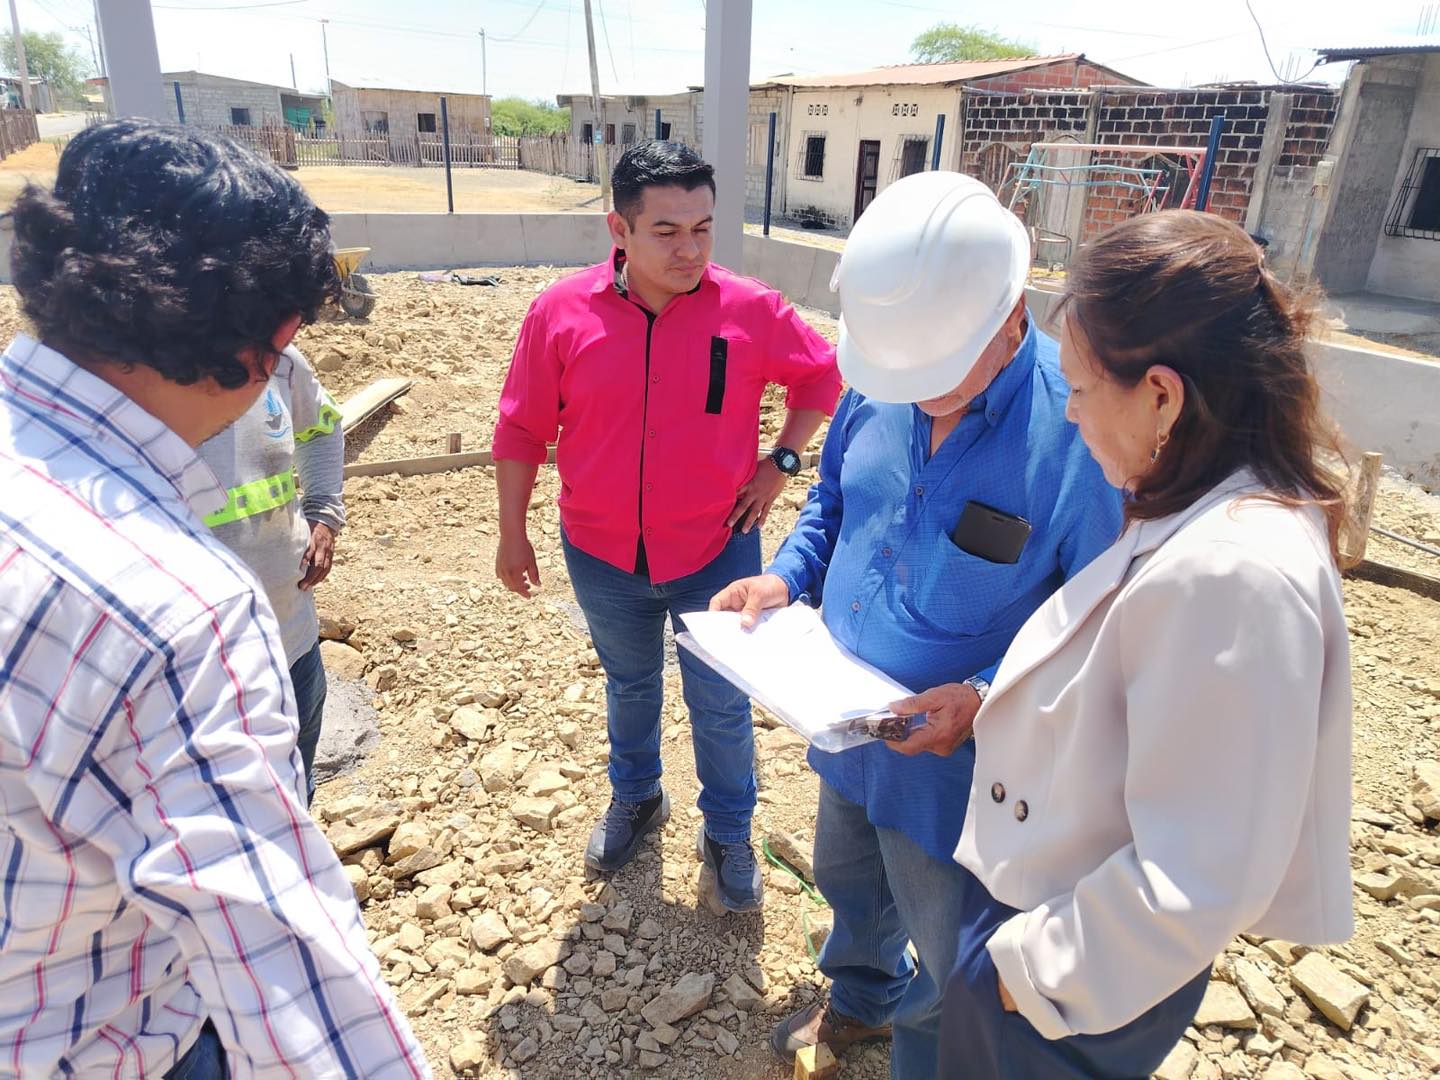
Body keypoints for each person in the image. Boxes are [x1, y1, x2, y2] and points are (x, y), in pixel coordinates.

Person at [0, 121, 428, 1078]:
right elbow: (285, 977)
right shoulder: (175, 611)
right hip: (114, 1038)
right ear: (267, 340)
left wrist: (325, 511)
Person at [710, 171, 1123, 1076]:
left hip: (961, 770)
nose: (920, 394)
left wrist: (983, 695)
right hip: (846, 723)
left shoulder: (1081, 433)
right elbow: (831, 504)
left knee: (950, 942)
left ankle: (933, 1047)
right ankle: (863, 998)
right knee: (848, 877)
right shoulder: (883, 379)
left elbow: (1098, 622)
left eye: (938, 375)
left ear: (1010, 317)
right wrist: (785, 576)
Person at [938, 209, 1354, 1078]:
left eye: (1080, 391)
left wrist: (1019, 976)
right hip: (1057, 917)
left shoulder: (1233, 572)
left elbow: (1198, 876)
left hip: (1065, 972)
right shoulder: (1206, 502)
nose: (1070, 417)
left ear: (1161, 395)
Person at [491, 141, 842, 913]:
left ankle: (729, 834)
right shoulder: (560, 314)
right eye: (667, 231)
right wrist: (512, 532)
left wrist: (780, 463)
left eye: (703, 229)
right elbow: (519, 428)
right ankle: (638, 797)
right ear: (619, 228)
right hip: (601, 553)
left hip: (716, 552)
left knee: (720, 704)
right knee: (630, 683)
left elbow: (822, 376)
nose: (690, 250)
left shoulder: (750, 310)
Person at [197, 344, 345, 803]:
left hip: (293, 640)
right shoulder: (140, 374)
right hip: (204, 669)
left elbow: (321, 426)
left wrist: (323, 514)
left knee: (295, 790)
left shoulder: (278, 358)